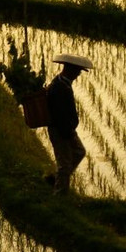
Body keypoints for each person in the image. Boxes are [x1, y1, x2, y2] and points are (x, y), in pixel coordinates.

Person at [46, 53, 93, 194]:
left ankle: (55, 179)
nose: (78, 75)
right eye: (77, 71)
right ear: (69, 70)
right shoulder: (59, 87)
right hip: (60, 130)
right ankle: (59, 195)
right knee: (64, 164)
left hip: (66, 129)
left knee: (79, 152)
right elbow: (59, 114)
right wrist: (68, 132)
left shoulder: (63, 83)